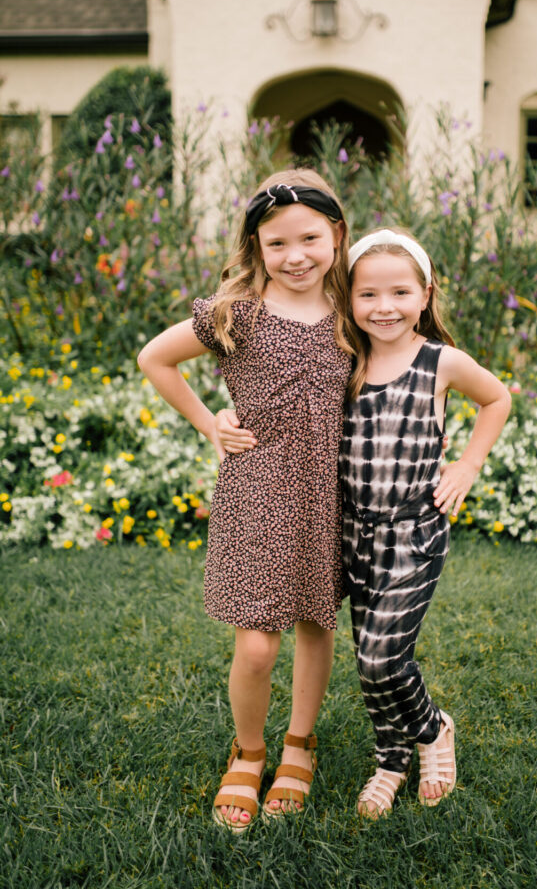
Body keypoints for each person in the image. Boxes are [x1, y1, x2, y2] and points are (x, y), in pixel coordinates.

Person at [137, 169, 352, 833]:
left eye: (310, 238)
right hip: (256, 490)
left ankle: (298, 744)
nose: (296, 256)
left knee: (318, 619)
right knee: (257, 644)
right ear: (254, 246)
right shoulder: (235, 314)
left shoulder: (355, 310)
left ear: (336, 236)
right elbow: (155, 358)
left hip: (331, 491)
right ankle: (248, 750)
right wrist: (210, 424)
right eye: (276, 243)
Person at [339, 228, 511, 817]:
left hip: (415, 531)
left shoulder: (440, 362)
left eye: (399, 293)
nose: (384, 307)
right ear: (349, 297)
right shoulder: (347, 360)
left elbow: (498, 399)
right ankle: (391, 757)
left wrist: (467, 463)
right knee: (369, 660)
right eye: (368, 295)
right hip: (354, 533)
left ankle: (434, 730)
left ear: (425, 293)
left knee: (384, 656)